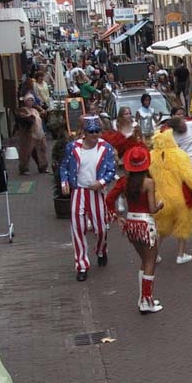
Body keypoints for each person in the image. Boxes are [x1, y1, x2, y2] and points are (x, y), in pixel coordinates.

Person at [105, 147, 165, 313]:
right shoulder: (148, 183)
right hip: (146, 224)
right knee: (150, 262)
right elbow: (152, 209)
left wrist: (116, 217)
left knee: (144, 261)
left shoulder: (124, 182)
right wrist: (160, 205)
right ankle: (146, 302)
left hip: (131, 224)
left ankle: (144, 298)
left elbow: (109, 199)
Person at [59, 116, 117, 281]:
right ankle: (82, 265)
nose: (94, 134)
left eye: (97, 131)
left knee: (101, 229)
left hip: (96, 193)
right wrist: (64, 181)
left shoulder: (106, 148)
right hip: (79, 192)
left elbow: (111, 171)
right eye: (91, 131)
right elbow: (64, 166)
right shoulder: (73, 147)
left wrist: (101, 182)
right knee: (78, 228)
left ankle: (101, 250)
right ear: (84, 133)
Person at [149, 129, 192, 267]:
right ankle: (181, 255)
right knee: (183, 226)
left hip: (160, 199)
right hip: (181, 199)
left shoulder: (151, 156)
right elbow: (190, 178)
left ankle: (154, 255)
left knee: (161, 228)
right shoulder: (180, 155)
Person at [15, 93, 48, 175]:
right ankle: (24, 168)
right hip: (29, 134)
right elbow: (22, 118)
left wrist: (43, 113)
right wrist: (29, 118)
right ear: (25, 101)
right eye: (28, 100)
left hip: (39, 133)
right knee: (26, 152)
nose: (30, 101)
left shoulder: (35, 110)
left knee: (41, 150)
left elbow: (40, 117)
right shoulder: (23, 110)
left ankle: (43, 167)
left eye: (31, 100)